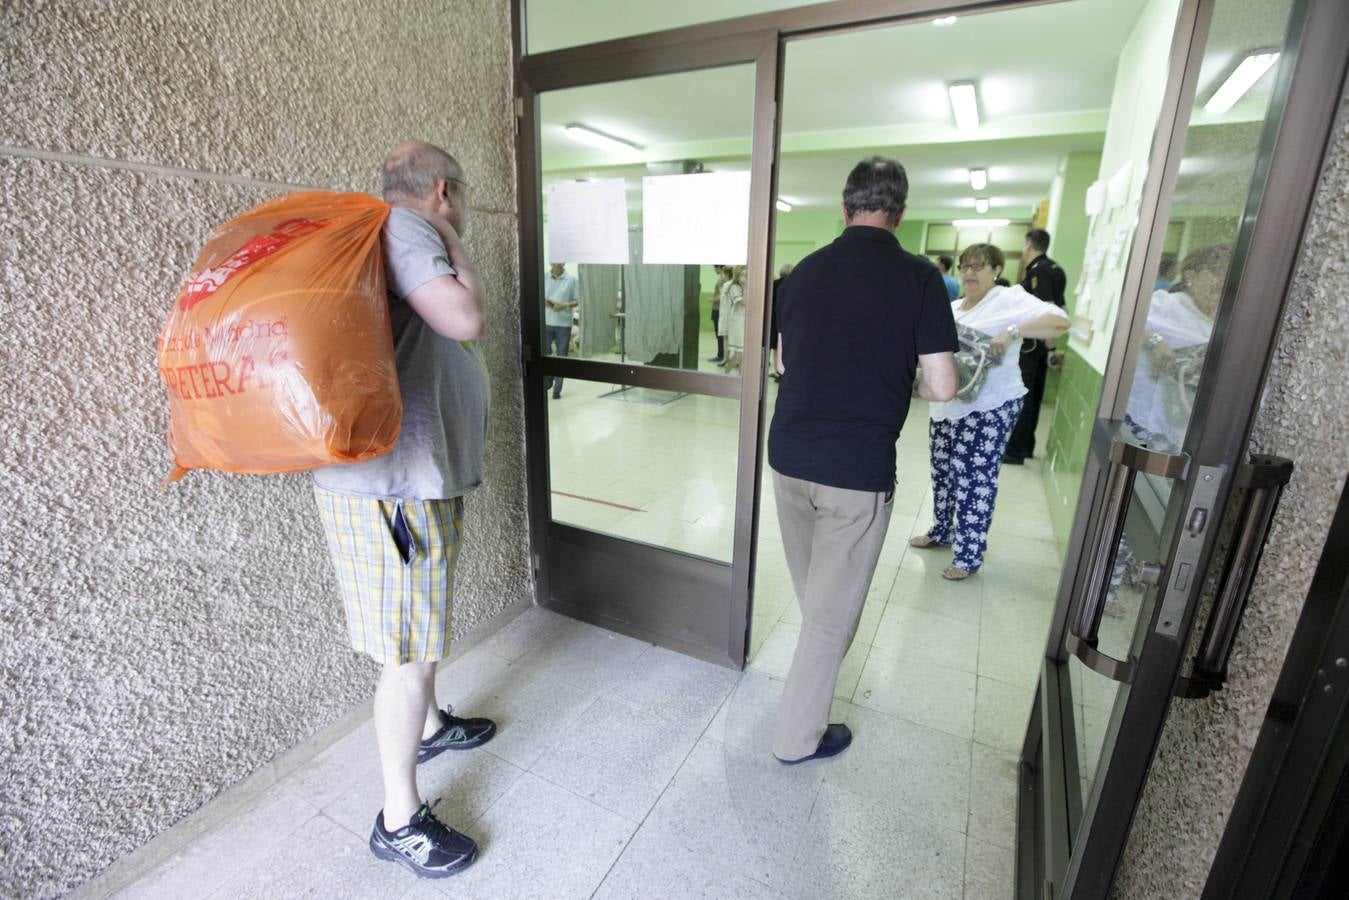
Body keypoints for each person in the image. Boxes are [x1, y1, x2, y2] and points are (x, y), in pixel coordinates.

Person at [310, 140, 496, 879]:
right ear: (443, 190)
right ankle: (398, 820)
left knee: (420, 626)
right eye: (462, 202)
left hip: (401, 480)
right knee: (406, 654)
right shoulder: (410, 228)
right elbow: (462, 318)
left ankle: (430, 725)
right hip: (393, 488)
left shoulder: (381, 231)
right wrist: (451, 241)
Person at [768, 156, 959, 764]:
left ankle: (809, 685)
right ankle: (797, 739)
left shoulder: (800, 274)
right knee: (830, 615)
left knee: (821, 600)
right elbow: (944, 385)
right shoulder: (920, 278)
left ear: (843, 209)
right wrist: (895, 383)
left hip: (789, 456)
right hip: (855, 470)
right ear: (899, 215)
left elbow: (781, 364)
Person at [911, 242, 1069, 580]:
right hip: (947, 405)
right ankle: (942, 531)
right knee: (944, 471)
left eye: (978, 266)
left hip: (990, 405)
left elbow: (1059, 321)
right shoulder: (952, 308)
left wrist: (1013, 331)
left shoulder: (1009, 299)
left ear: (995, 270)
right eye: (965, 266)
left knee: (974, 478)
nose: (970, 272)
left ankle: (968, 555)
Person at [1004, 228, 1067, 464]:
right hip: (1041, 346)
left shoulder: (1038, 272)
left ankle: (1017, 449)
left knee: (1024, 395)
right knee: (1034, 395)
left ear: (1029, 244)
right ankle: (1025, 445)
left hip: (1032, 345)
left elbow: (1049, 309)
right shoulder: (1055, 268)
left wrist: (1049, 346)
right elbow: (1062, 307)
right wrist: (1051, 348)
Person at [543, 261, 578, 399]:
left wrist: (564, 305)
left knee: (561, 357)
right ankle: (549, 378)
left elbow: (577, 300)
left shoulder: (572, 279)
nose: (557, 263)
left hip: (563, 324)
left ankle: (557, 391)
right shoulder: (544, 277)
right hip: (546, 321)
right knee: (544, 353)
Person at [769, 263, 793, 380]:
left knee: (774, 346)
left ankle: (776, 371)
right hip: (787, 319)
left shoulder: (773, 284)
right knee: (782, 347)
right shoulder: (792, 285)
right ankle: (781, 372)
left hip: (773, 319)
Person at [721, 265, 747, 372]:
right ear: (738, 276)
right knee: (738, 356)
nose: (746, 278)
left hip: (743, 322)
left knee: (741, 356)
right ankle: (725, 375)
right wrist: (745, 288)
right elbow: (744, 303)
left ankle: (741, 379)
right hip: (737, 323)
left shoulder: (742, 287)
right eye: (743, 275)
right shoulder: (734, 288)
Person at [709, 265, 728, 363]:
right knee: (720, 334)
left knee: (719, 334)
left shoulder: (722, 280)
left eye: (716, 268)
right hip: (718, 309)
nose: (715, 270)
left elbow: (722, 295)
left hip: (718, 309)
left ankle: (721, 355)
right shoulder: (724, 279)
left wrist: (712, 300)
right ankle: (722, 355)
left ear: (720, 268)